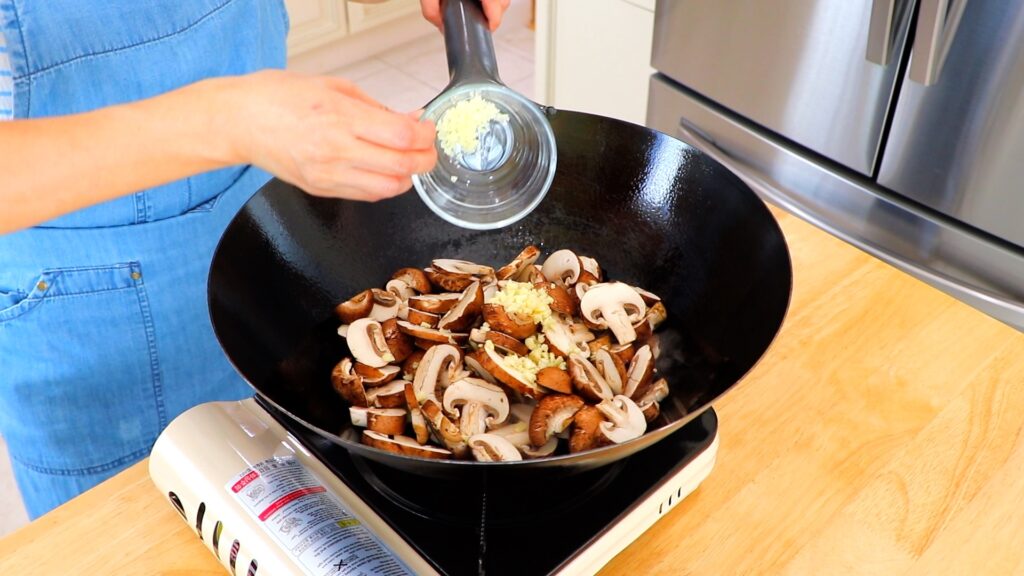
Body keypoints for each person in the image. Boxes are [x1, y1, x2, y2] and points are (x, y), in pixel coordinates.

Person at [0, 0, 511, 519]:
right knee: (137, 532)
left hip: (261, 226)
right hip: (92, 299)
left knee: (289, 509)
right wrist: (229, 122)